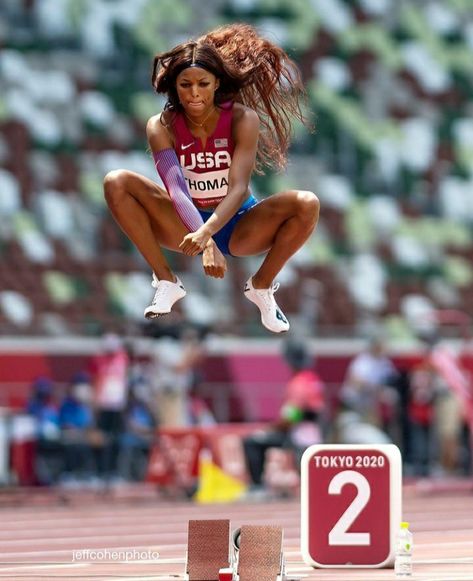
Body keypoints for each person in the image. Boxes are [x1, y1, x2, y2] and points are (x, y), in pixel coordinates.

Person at [103, 23, 320, 333]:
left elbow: (239, 187)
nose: (194, 94)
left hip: (238, 222)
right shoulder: (160, 125)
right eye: (185, 85)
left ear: (217, 83)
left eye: (202, 84)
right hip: (183, 222)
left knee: (307, 203)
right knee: (116, 181)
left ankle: (261, 285)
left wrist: (209, 234)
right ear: (173, 86)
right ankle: (166, 280)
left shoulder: (243, 119)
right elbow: (176, 189)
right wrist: (204, 241)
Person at [243, 340, 325, 493]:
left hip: (297, 435)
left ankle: (257, 488)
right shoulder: (313, 379)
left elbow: (290, 418)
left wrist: (269, 428)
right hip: (316, 433)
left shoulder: (298, 384)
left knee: (252, 442)